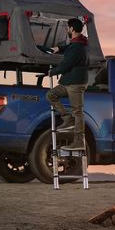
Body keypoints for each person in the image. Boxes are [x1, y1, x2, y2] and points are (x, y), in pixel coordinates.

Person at [46, 18, 89, 151]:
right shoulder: (78, 43)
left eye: (68, 28)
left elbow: (66, 65)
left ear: (71, 29)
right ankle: (67, 118)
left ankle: (79, 142)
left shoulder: (77, 48)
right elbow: (70, 47)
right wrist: (58, 48)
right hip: (69, 82)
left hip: (75, 84)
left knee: (78, 111)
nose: (67, 30)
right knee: (51, 94)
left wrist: (52, 72)